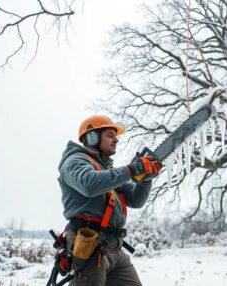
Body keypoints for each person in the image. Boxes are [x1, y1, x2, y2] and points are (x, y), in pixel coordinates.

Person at [57, 115, 162, 286]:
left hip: (113, 246)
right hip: (89, 243)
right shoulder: (74, 160)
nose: (116, 140)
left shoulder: (108, 172)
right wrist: (131, 169)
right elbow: (88, 184)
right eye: (110, 135)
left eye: (116, 135)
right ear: (92, 137)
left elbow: (136, 200)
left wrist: (146, 179)